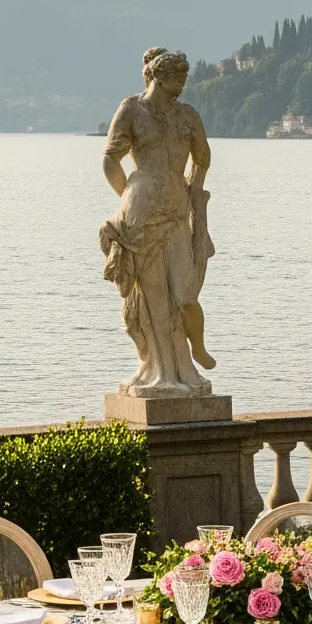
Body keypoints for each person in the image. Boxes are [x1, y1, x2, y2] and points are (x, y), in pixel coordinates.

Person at [99, 47, 216, 391]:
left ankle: (194, 351)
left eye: (183, 77)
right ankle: (163, 372)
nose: (182, 83)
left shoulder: (188, 116)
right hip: (140, 213)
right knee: (152, 297)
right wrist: (127, 197)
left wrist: (195, 192)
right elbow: (110, 158)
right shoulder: (132, 110)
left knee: (185, 294)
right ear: (158, 76)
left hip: (177, 211)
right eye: (177, 77)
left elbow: (203, 158)